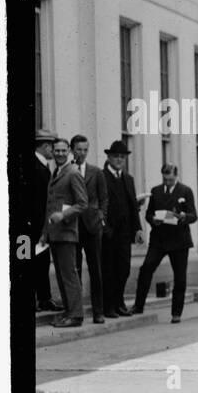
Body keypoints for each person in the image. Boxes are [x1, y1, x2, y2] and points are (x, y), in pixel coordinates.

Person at [131, 163, 196, 324]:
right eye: (165, 180)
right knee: (146, 269)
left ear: (176, 177)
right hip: (159, 239)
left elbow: (193, 215)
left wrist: (182, 216)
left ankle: (176, 313)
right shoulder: (156, 191)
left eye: (170, 180)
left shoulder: (185, 191)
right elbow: (148, 214)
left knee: (180, 278)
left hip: (179, 240)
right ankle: (138, 306)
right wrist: (153, 220)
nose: (167, 183)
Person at [39, 137, 88, 327]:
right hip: (55, 234)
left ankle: (76, 315)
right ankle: (68, 312)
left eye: (62, 150)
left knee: (69, 275)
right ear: (52, 151)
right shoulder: (56, 172)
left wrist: (64, 215)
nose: (59, 154)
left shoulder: (72, 173)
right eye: (56, 150)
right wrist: (45, 233)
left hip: (67, 233)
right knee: (61, 275)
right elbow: (49, 206)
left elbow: (83, 204)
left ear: (68, 151)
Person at [71, 135, 109, 324]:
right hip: (73, 226)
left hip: (92, 226)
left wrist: (101, 217)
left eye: (85, 150)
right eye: (79, 149)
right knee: (74, 269)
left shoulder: (96, 172)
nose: (82, 153)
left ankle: (98, 312)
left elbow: (104, 198)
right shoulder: (67, 171)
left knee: (96, 270)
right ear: (72, 150)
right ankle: (76, 312)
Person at [100, 140, 140, 318]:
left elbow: (133, 206)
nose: (118, 160)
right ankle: (109, 306)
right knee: (109, 269)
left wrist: (137, 229)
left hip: (124, 232)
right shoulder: (101, 177)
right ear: (108, 157)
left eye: (122, 157)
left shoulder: (128, 179)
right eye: (115, 156)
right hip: (108, 232)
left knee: (124, 269)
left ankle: (119, 302)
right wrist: (104, 228)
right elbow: (96, 205)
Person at [31, 128, 62, 312]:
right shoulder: (35, 167)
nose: (53, 151)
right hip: (31, 229)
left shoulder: (44, 168)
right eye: (51, 147)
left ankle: (44, 298)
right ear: (44, 146)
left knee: (42, 262)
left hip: (42, 228)